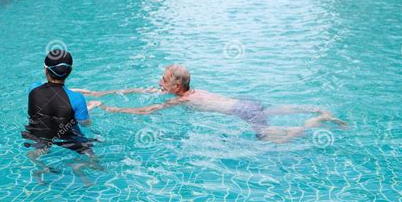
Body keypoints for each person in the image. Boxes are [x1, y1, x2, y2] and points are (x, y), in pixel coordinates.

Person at [76, 65, 347, 144]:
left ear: (177, 88)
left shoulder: (182, 100)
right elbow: (140, 91)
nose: (159, 82)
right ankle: (314, 109)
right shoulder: (189, 91)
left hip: (243, 111)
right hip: (246, 103)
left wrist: (106, 108)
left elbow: (145, 111)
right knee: (268, 110)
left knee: (277, 140)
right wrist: (96, 91)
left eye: (164, 80)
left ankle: (317, 120)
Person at [22, 50, 102, 185]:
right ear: (70, 71)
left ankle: (42, 167)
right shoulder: (77, 98)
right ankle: (79, 166)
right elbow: (85, 124)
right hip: (68, 136)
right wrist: (89, 108)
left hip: (38, 134)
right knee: (94, 159)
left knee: (35, 152)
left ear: (45, 69)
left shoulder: (33, 88)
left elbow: (51, 93)